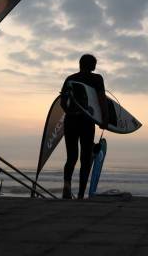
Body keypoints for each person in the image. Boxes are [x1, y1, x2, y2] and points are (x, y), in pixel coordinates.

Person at [60, 54, 109, 199]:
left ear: (80, 64)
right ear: (93, 66)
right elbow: (101, 99)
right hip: (87, 122)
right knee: (85, 158)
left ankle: (66, 189)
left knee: (71, 157)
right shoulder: (96, 79)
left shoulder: (70, 78)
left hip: (70, 121)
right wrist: (104, 119)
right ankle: (81, 194)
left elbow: (63, 102)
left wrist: (71, 112)